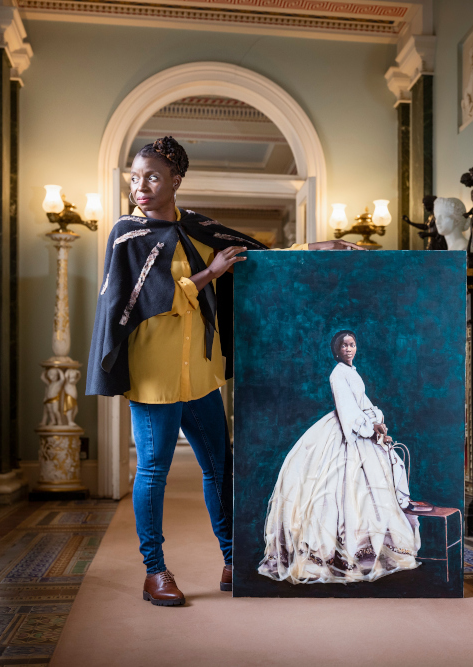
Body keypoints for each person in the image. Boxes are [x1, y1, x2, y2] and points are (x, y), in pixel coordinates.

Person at [87, 136, 360, 606]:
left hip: (200, 376)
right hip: (154, 379)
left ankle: (234, 560)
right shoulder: (126, 234)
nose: (141, 187)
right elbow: (146, 299)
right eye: (135, 177)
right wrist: (209, 274)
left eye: (152, 177)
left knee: (220, 468)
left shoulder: (197, 228)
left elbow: (257, 258)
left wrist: (318, 247)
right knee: (153, 471)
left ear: (176, 180)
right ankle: (155, 571)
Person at [258, 330, 424, 584]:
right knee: (338, 491)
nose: (348, 349)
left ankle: (368, 550)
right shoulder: (338, 373)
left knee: (369, 492)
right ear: (337, 350)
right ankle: (336, 555)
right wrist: (368, 427)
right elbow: (347, 409)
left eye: (352, 344)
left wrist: (376, 420)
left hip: (360, 429)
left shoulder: (352, 372)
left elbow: (362, 402)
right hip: (345, 432)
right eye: (344, 345)